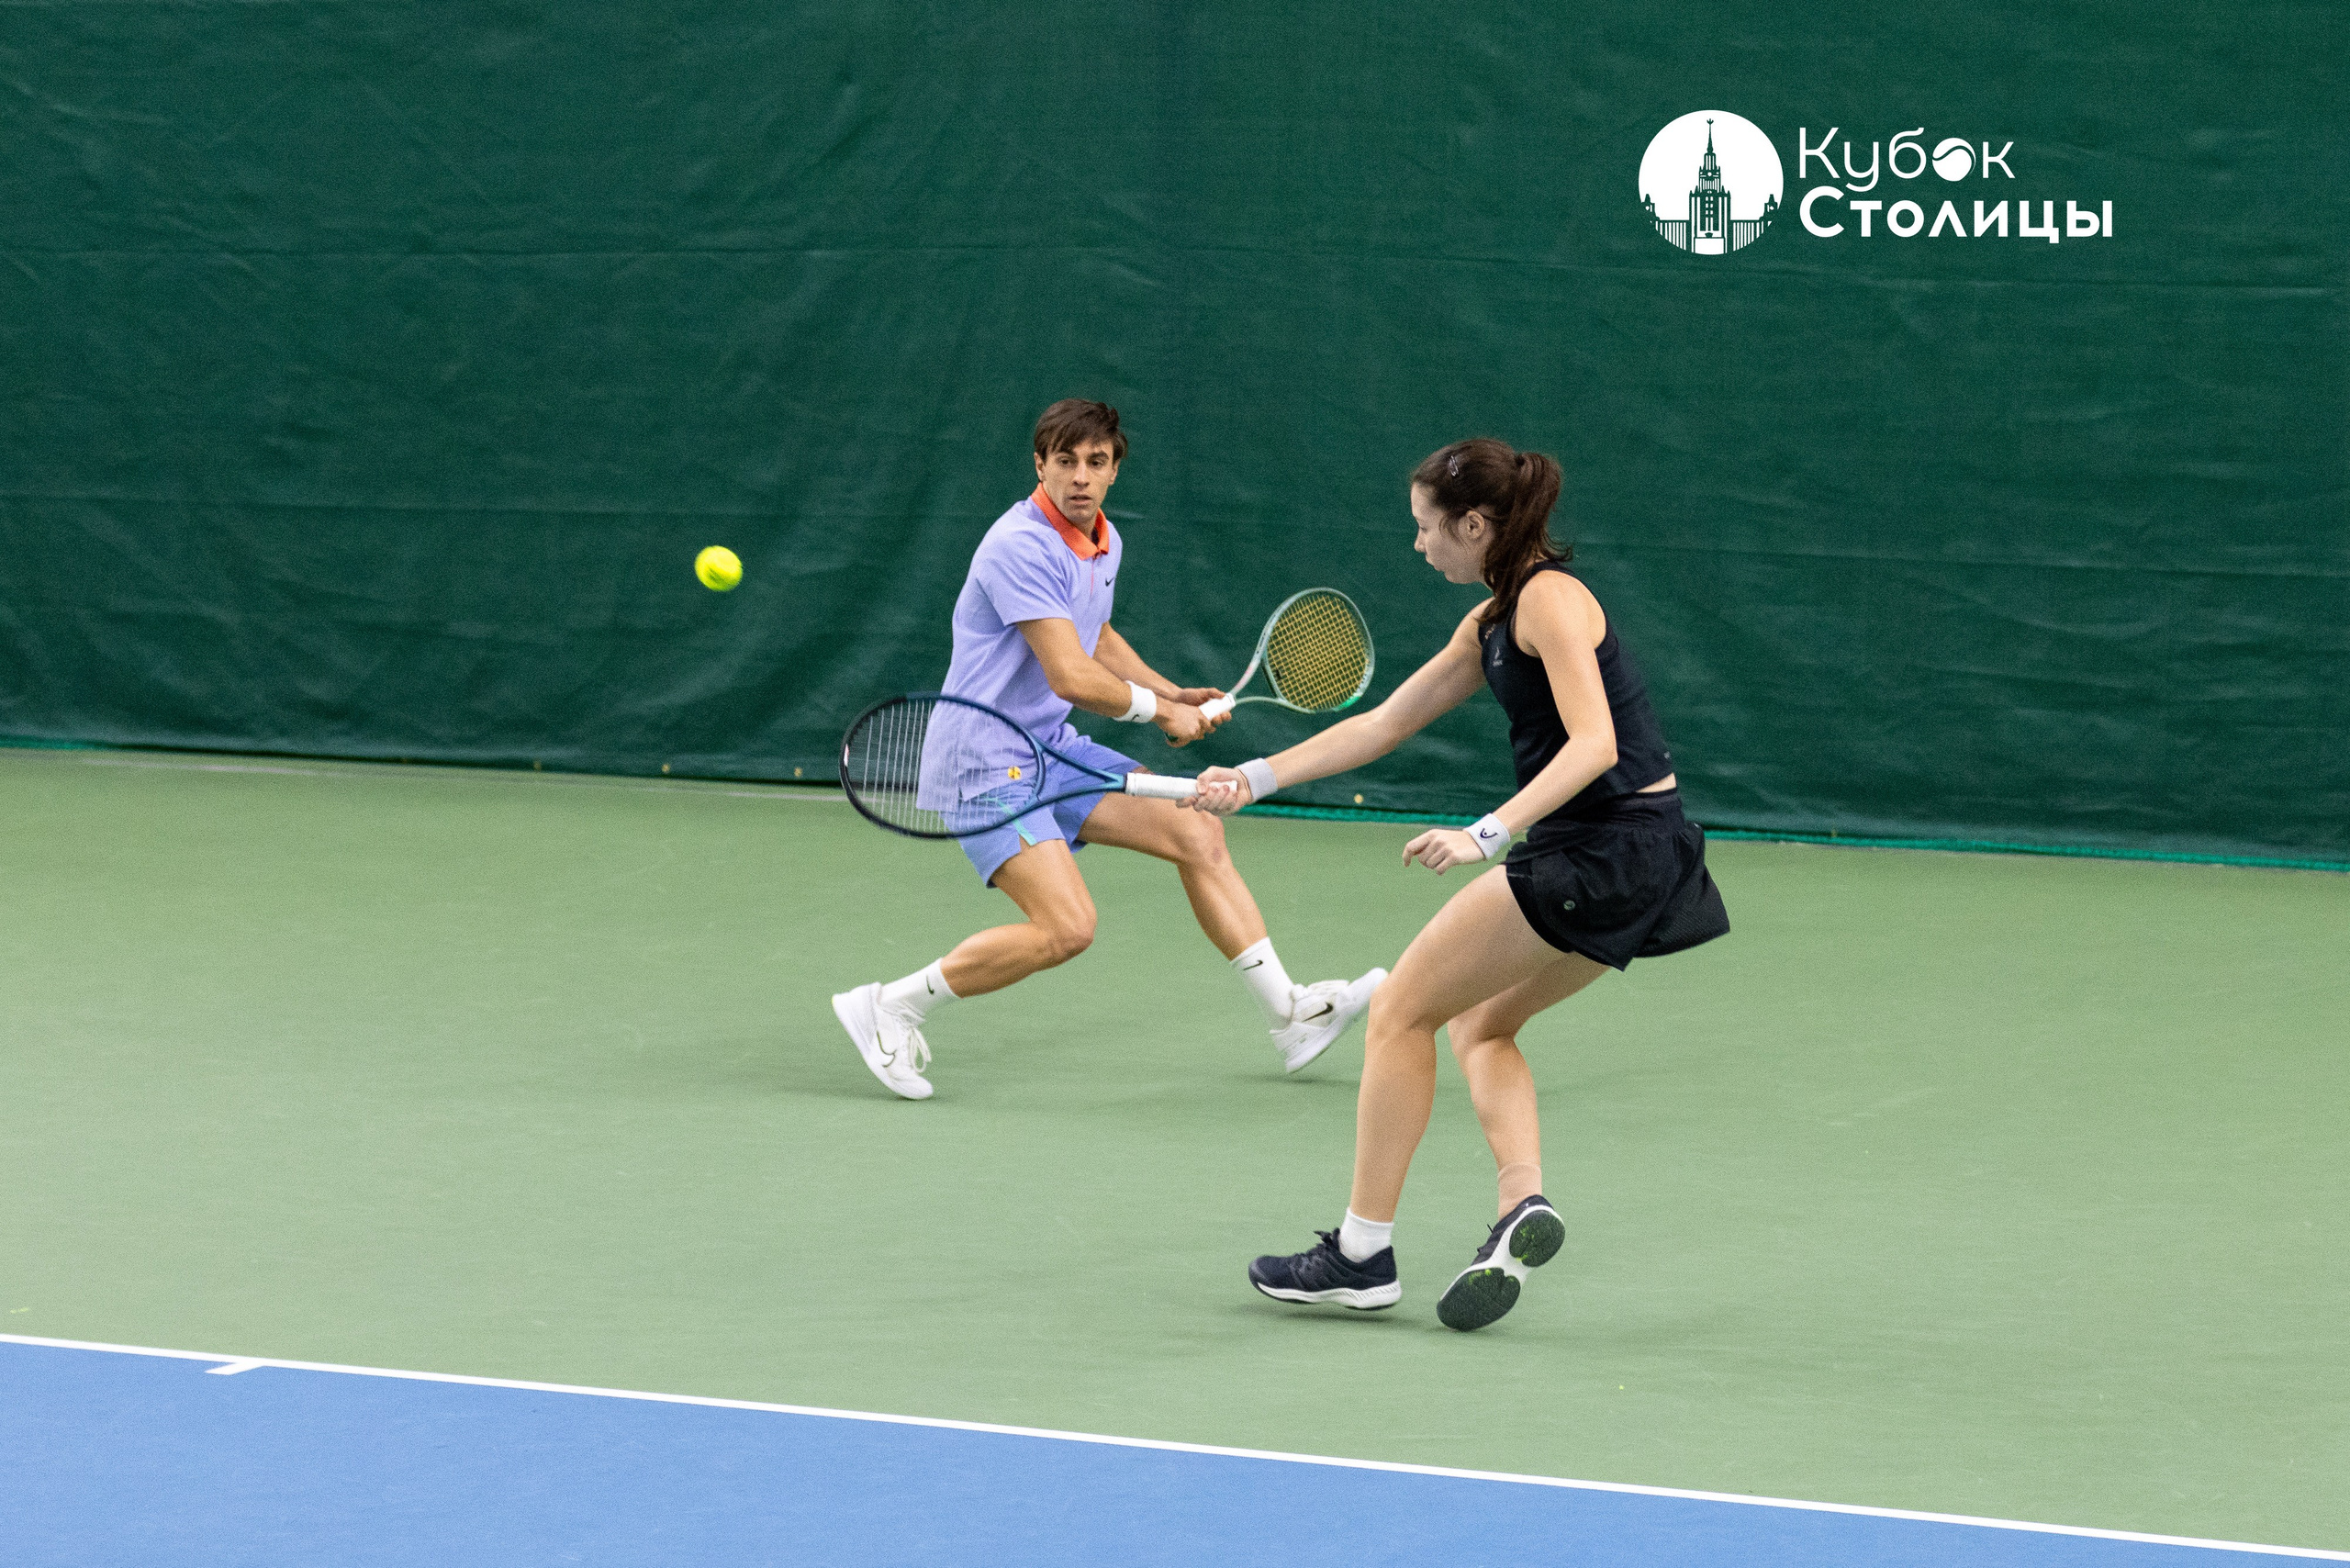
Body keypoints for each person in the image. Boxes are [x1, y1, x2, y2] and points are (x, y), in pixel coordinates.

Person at [1188, 437, 1729, 1330]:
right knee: (1485, 1025)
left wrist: (1486, 833)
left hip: (1600, 847)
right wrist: (1253, 776)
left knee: (1400, 1010)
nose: (1418, 545)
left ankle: (1360, 1254)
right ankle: (1523, 1203)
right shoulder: (1489, 624)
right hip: (1652, 860)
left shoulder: (1551, 601)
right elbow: (1385, 723)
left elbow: (1595, 744)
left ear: (1474, 524)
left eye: (1425, 528)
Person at [833, 399, 1383, 1100]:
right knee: (1067, 928)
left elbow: (1094, 637)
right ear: (1040, 464)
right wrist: (1161, 714)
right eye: (1065, 462)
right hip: (982, 761)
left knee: (1196, 829)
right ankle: (891, 1006)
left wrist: (1172, 697)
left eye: (1096, 463)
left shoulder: (1101, 540)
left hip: (1049, 746)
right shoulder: (1019, 546)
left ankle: (1292, 1014)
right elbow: (1069, 674)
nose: (1080, 478)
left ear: (1116, 469)